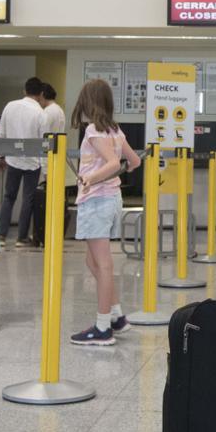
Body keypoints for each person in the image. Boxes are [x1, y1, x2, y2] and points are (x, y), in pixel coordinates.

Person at [69, 79, 141, 346]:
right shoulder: (115, 131)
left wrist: (90, 178)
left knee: (103, 263)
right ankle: (117, 316)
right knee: (93, 262)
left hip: (97, 200)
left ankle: (102, 328)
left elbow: (113, 163)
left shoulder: (93, 131)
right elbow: (133, 162)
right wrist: (114, 171)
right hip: (111, 200)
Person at [0, 77, 46, 247]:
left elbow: (1, 133)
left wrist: (0, 156)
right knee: (28, 199)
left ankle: (1, 235)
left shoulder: (10, 106)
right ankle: (21, 237)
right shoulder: (40, 113)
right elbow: (43, 140)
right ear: (40, 94)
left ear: (24, 90)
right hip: (33, 162)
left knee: (9, 197)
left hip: (12, 158)